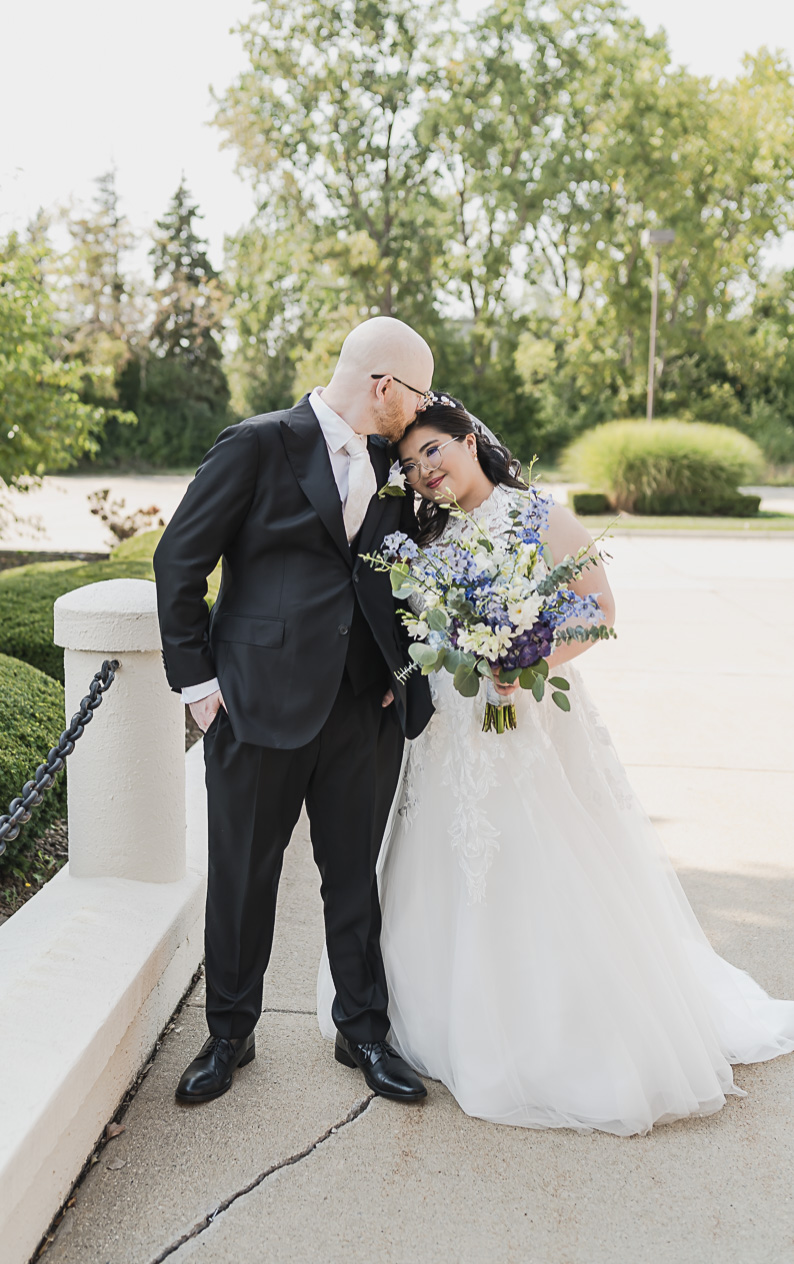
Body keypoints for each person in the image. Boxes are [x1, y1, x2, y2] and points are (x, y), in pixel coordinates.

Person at [318, 394, 794, 1136]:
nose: (423, 473)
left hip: (520, 719)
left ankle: (552, 1031)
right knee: (438, 861)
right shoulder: (423, 529)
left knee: (535, 854)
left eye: (433, 452)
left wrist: (526, 654)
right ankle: (436, 1020)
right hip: (445, 727)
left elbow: (598, 610)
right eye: (410, 466)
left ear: (470, 440)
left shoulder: (538, 515)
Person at [155, 316, 436, 1104]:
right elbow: (179, 560)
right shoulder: (255, 444)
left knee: (355, 878)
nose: (423, 410)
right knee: (244, 876)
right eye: (416, 392)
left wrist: (400, 664)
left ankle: (365, 1033)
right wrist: (201, 690)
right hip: (254, 708)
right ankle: (229, 1036)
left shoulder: (398, 463)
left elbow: (403, 576)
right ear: (383, 385)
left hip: (363, 710)